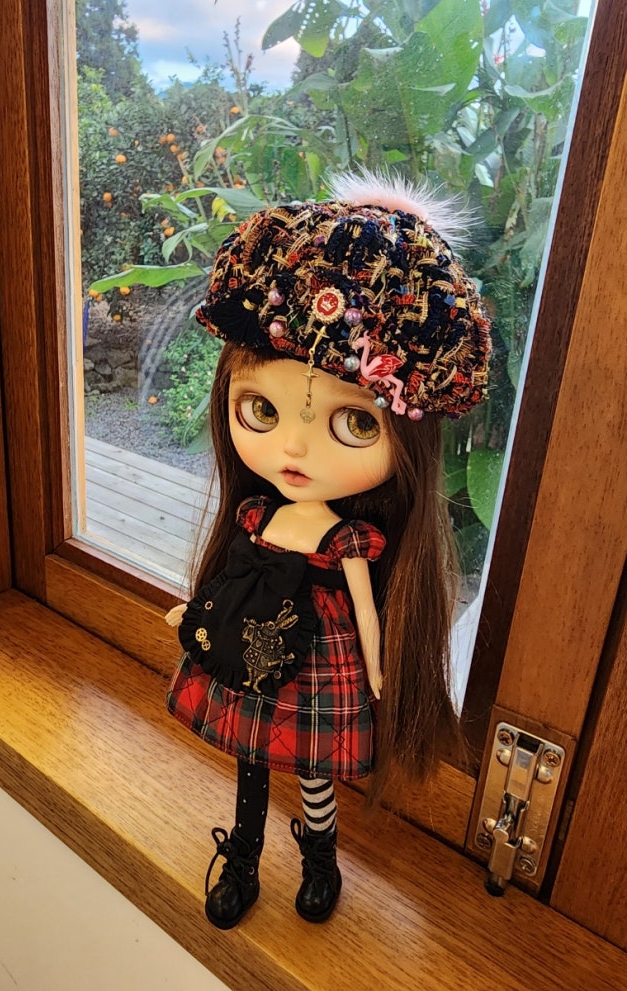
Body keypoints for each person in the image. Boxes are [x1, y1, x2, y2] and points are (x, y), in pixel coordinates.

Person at [164, 171, 491, 929]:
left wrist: (379, 669)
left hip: (323, 664)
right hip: (250, 650)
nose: (292, 450)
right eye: (260, 409)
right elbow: (234, 578)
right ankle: (244, 856)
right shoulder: (256, 516)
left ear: (405, 435)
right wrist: (196, 613)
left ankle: (319, 858)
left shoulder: (348, 539)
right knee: (249, 765)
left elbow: (367, 611)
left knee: (315, 772)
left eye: (354, 423)